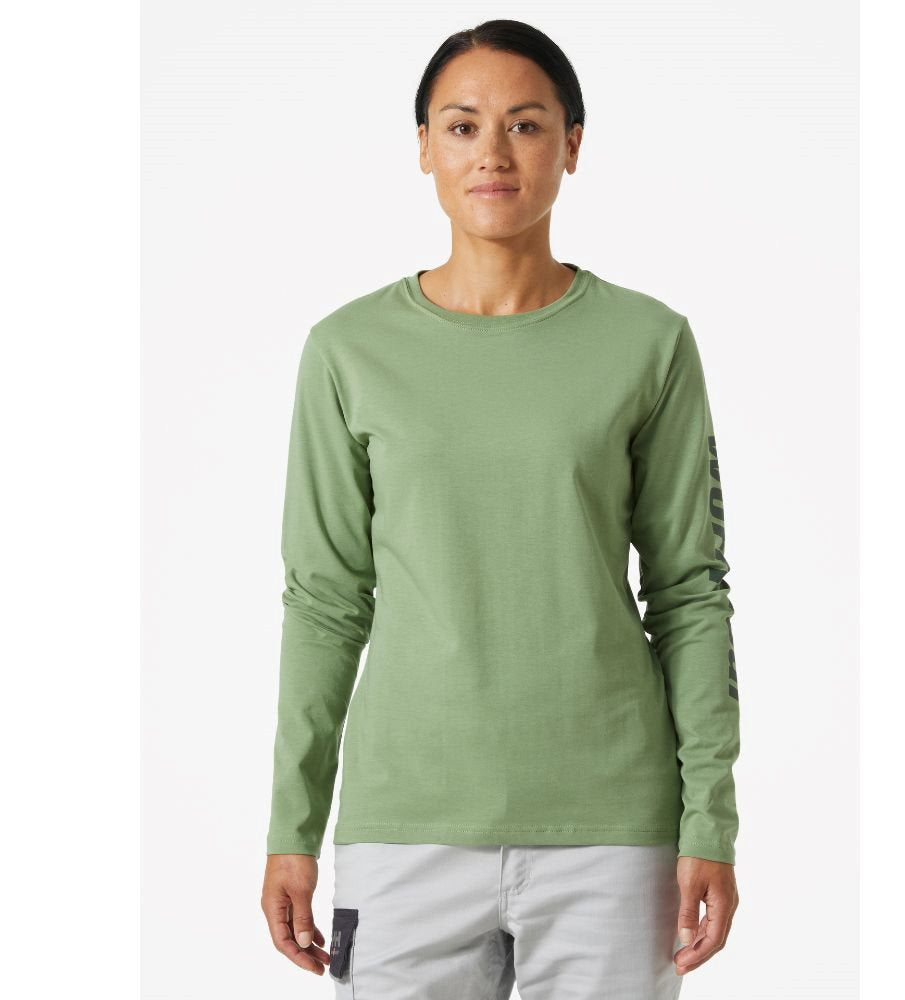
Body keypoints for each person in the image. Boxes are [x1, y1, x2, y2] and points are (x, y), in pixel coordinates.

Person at [260, 18, 741, 999]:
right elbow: (325, 602)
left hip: (613, 830)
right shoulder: (348, 351)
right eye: (462, 125)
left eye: (525, 124)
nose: (492, 152)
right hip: (406, 825)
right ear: (424, 147)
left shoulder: (647, 344)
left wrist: (710, 823)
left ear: (572, 144)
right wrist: (291, 829)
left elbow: (689, 591)